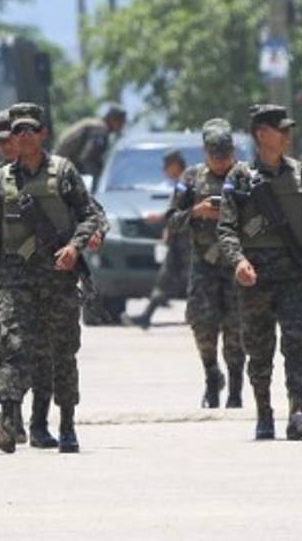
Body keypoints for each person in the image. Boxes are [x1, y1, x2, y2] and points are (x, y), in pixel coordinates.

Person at [0, 102, 105, 454]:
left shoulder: (63, 172)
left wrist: (75, 248)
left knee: (62, 353)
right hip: (14, 281)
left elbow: (88, 216)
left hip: (57, 280)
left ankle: (66, 424)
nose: (23, 136)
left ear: (43, 135)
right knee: (12, 346)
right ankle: (7, 420)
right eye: (17, 131)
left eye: (30, 130)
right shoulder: (1, 181)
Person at [217, 104, 302, 441]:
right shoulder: (239, 177)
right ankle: (263, 412)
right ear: (261, 134)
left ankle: (297, 411)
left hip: (294, 277)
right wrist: (238, 261)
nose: (288, 136)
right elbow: (225, 229)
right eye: (281, 129)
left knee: (297, 345)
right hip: (255, 280)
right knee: (259, 348)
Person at [165, 119, 246, 409]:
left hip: (237, 266)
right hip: (204, 267)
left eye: (225, 155)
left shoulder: (244, 177)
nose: (221, 162)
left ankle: (236, 386)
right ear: (205, 152)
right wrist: (196, 212)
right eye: (215, 156)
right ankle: (212, 377)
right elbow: (172, 221)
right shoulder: (191, 179)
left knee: (237, 330)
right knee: (203, 327)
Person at [135, 148, 191, 327]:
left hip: (189, 240)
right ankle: (146, 316)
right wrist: (168, 228)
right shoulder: (182, 182)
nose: (164, 170)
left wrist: (160, 218)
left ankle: (203, 316)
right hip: (179, 240)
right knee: (166, 277)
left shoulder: (188, 182)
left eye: (167, 166)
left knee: (195, 279)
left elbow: (183, 211)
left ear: (175, 165)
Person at [53, 103, 128, 179]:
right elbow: (88, 160)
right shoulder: (100, 130)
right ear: (113, 119)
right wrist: (98, 179)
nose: (122, 126)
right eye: (121, 122)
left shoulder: (96, 126)